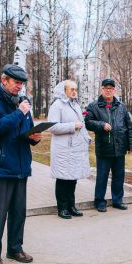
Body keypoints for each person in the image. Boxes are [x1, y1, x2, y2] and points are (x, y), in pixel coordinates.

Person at [0, 64, 42, 264]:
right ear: (4, 80)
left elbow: (25, 129)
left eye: (22, 83)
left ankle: (15, 248)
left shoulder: (22, 103)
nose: (19, 87)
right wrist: (19, 113)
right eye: (16, 83)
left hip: (21, 164)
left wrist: (34, 137)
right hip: (0, 166)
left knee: (18, 211)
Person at [85, 78, 132, 212]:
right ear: (101, 90)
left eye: (111, 88)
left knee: (119, 176)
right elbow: (88, 122)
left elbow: (128, 126)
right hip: (104, 148)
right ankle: (100, 201)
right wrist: (101, 125)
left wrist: (130, 145)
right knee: (102, 176)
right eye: (106, 88)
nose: (108, 90)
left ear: (114, 90)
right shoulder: (94, 106)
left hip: (120, 147)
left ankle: (118, 200)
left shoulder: (121, 106)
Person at [48, 80, 91, 219]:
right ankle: (62, 208)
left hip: (74, 149)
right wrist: (72, 126)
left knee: (72, 179)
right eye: (71, 89)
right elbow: (52, 127)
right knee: (62, 179)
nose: (74, 91)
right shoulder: (57, 105)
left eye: (75, 89)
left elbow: (81, 125)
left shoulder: (75, 105)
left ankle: (71, 206)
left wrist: (86, 137)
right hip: (62, 150)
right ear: (64, 90)